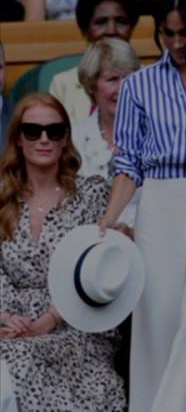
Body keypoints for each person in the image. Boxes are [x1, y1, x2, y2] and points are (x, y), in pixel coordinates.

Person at [97, 0, 186, 411]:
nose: (179, 43)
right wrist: (108, 220)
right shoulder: (138, 87)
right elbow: (128, 164)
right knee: (156, 326)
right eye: (168, 33)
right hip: (159, 203)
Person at [0, 92, 126, 410]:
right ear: (17, 138)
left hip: (77, 324)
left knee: (17, 358)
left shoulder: (91, 194)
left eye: (54, 131)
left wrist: (48, 319)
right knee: (11, 354)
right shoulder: (2, 199)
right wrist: (7, 319)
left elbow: (93, 272)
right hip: (9, 324)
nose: (44, 139)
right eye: (33, 131)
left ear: (65, 137)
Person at [72, 37, 141, 230]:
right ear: (92, 86)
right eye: (112, 79)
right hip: (91, 243)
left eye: (129, 78)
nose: (124, 88)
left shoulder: (159, 136)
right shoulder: (74, 139)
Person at [48, 0, 140, 125]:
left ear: (132, 28)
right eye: (101, 22)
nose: (111, 30)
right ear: (85, 30)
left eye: (121, 21)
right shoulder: (62, 84)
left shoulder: (150, 79)